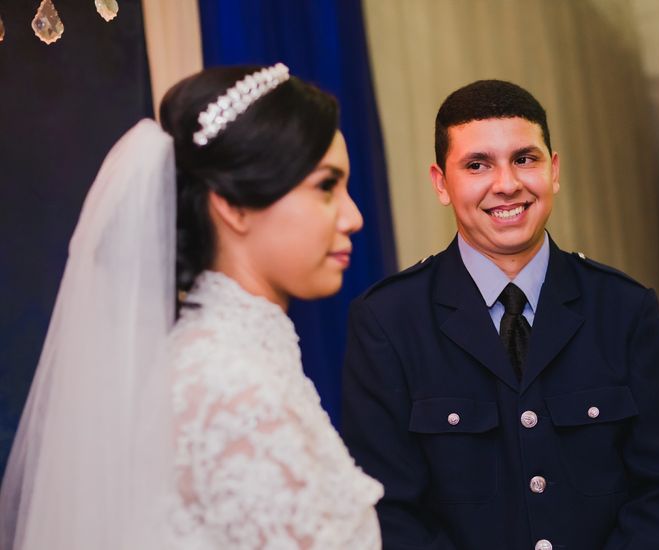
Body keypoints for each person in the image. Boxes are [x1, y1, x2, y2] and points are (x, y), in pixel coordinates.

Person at [0, 64, 382, 549]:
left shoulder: (237, 361)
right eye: (326, 186)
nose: (354, 217)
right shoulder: (230, 389)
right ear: (233, 205)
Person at [342, 79, 659, 549]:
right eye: (477, 165)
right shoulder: (388, 322)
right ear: (440, 183)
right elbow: (389, 511)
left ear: (553, 171)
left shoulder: (625, 309)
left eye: (524, 159)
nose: (506, 185)